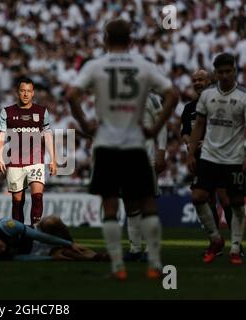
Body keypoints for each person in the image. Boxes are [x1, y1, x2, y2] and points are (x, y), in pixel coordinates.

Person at [66, 19, 179, 280]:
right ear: (130, 40)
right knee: (147, 202)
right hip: (135, 145)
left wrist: (86, 124)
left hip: (106, 145)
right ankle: (153, 263)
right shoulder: (143, 65)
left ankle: (118, 267)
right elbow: (172, 94)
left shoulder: (96, 66)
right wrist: (155, 128)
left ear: (105, 40)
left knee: (110, 206)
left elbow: (71, 94)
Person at [187, 53, 246, 265]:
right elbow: (199, 125)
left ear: (234, 70)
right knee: (197, 197)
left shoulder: (243, 96)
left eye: (228, 71)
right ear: (215, 73)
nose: (224, 75)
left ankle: (236, 248)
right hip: (209, 156)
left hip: (234, 158)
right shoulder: (207, 95)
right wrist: (191, 152)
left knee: (237, 203)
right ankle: (215, 239)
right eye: (220, 72)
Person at [0, 77, 56, 226]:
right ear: (17, 92)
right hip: (15, 162)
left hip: (36, 160)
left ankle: (35, 229)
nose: (25, 94)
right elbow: (1, 136)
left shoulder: (42, 112)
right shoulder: (7, 112)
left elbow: (48, 136)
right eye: (22, 91)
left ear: (33, 93)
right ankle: (20, 233)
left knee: (37, 196)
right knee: (17, 201)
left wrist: (53, 159)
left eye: (28, 91)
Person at [123, 93, 167, 262]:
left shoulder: (151, 97)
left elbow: (162, 124)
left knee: (147, 201)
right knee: (129, 203)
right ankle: (135, 249)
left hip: (145, 157)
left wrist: (161, 150)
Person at [0, 215, 109, 262]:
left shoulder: (6, 225)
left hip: (39, 236)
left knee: (51, 221)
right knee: (64, 255)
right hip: (34, 251)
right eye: (0, 251)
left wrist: (68, 242)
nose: (3, 249)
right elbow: (22, 258)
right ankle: (98, 257)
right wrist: (50, 258)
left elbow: (37, 235)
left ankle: (72, 244)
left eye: (0, 246)